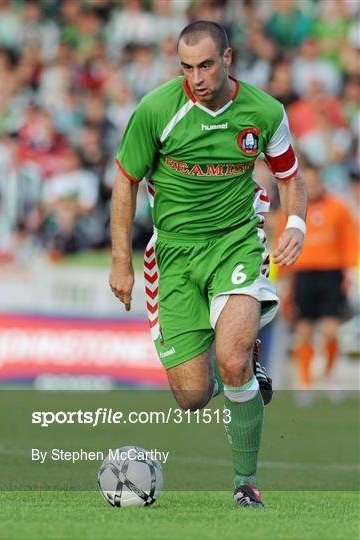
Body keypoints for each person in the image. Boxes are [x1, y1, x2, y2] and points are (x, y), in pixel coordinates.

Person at [109, 21, 307, 508]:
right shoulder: (158, 109)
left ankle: (246, 483)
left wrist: (296, 224)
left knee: (234, 358)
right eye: (186, 67)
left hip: (236, 242)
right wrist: (121, 262)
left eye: (205, 65)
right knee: (193, 395)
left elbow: (290, 176)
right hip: (173, 255)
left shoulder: (263, 111)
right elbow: (125, 181)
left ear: (228, 58)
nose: (196, 77)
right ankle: (235, 377)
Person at [277, 164, 358, 391]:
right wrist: (284, 279)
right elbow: (282, 244)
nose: (312, 187)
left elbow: (349, 241)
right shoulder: (292, 212)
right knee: (304, 331)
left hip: (331, 274)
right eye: (307, 183)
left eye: (315, 182)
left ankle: (329, 375)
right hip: (302, 274)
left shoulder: (338, 208)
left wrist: (348, 271)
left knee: (331, 329)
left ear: (321, 182)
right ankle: (305, 382)